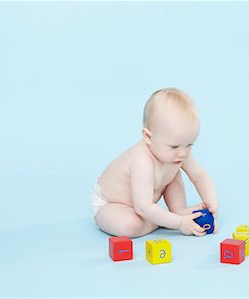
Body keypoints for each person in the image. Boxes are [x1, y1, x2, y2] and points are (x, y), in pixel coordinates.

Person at [92, 88, 219, 238]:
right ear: (148, 137)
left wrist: (212, 204)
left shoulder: (178, 152)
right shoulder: (142, 161)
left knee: (174, 169)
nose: (183, 153)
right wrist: (179, 223)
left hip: (144, 204)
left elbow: (199, 175)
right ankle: (166, 219)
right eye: (174, 146)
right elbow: (143, 207)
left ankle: (177, 211)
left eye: (190, 144)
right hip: (111, 204)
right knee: (130, 226)